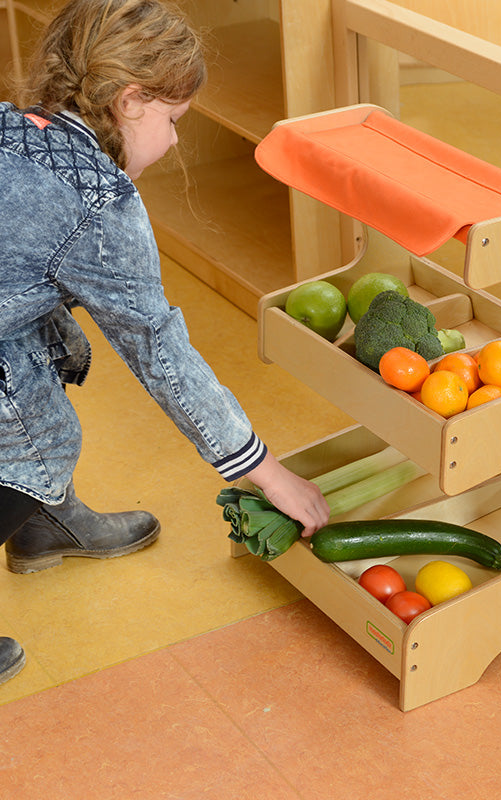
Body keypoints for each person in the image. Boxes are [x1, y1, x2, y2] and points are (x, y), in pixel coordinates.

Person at [0, 0, 329, 686]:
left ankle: (45, 524)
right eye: (174, 120)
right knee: (40, 442)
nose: (177, 141)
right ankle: (36, 508)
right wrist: (267, 473)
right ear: (130, 100)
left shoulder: (15, 125)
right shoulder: (99, 204)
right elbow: (161, 354)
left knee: (36, 365)